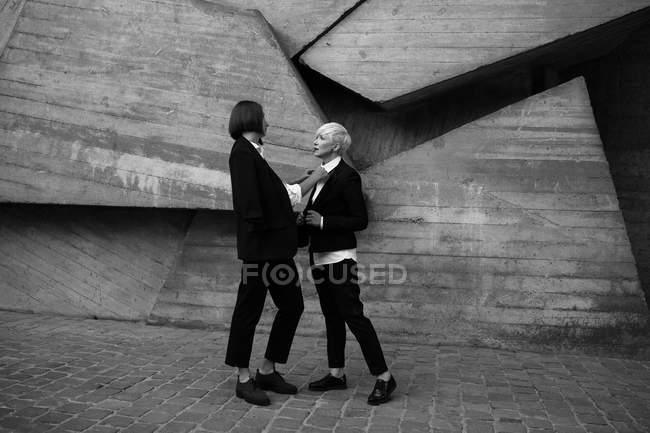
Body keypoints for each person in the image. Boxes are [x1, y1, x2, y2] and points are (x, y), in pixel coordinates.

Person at [225, 100, 326, 406]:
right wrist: (284, 218)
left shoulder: (255, 154)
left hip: (275, 250)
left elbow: (279, 194)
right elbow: (252, 206)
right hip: (260, 252)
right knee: (248, 312)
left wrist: (306, 183)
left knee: (292, 306)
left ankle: (268, 369)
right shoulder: (242, 153)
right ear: (253, 119)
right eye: (265, 117)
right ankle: (244, 379)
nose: (268, 122)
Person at [298, 122, 396, 405]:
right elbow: (313, 214)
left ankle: (385, 378)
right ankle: (336, 374)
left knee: (354, 316)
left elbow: (360, 220)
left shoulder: (348, 177)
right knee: (332, 316)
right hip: (319, 257)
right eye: (315, 136)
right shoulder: (318, 175)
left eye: (322, 137)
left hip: (340, 258)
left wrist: (324, 221)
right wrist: (304, 223)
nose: (315, 141)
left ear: (337, 146)